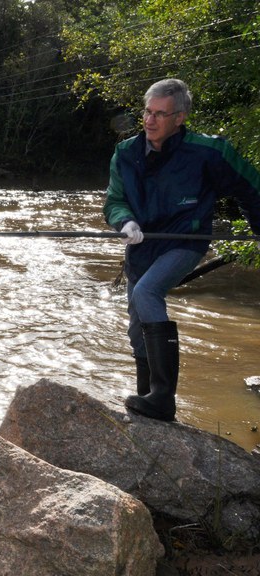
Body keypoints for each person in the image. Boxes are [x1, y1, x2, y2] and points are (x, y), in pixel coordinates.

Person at [104, 78, 260, 422]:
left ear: (180, 118)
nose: (150, 120)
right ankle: (147, 397)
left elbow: (252, 189)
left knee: (147, 294)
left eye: (161, 114)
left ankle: (162, 398)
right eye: (147, 111)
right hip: (141, 249)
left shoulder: (209, 152)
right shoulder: (125, 153)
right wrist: (125, 222)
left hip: (184, 243)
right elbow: (114, 201)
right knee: (135, 327)